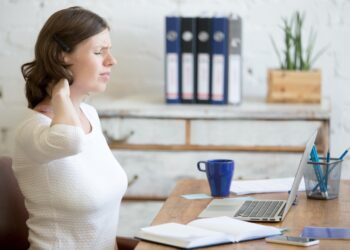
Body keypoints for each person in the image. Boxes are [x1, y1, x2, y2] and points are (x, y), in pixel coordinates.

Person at [13, 6, 135, 250]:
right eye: (99, 51)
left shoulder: (89, 114)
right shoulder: (32, 132)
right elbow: (69, 140)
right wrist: (60, 94)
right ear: (62, 55)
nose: (112, 60)